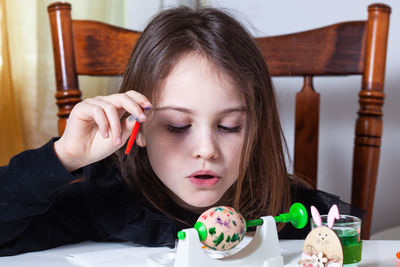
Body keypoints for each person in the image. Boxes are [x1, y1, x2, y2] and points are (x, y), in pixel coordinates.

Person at [0, 7, 363, 256]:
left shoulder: (288, 212)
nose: (206, 149)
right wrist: (64, 157)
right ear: (137, 127)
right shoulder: (105, 203)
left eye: (229, 126)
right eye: (177, 126)